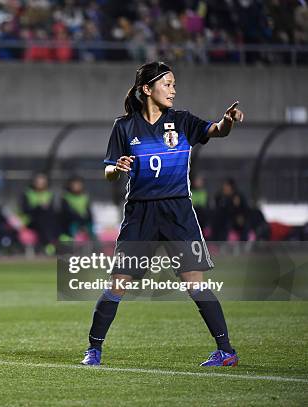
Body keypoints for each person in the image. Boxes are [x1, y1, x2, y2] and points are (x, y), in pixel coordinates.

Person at [81, 61, 244, 367]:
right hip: (140, 213)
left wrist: (228, 120)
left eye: (173, 84)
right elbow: (107, 170)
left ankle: (226, 351)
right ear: (147, 89)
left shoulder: (182, 121)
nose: (173, 89)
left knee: (194, 282)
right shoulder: (124, 126)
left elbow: (218, 131)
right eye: (167, 84)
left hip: (178, 210)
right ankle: (94, 349)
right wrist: (116, 169)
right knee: (118, 283)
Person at [20, 173, 58, 254]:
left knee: (51, 220)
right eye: (38, 182)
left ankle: (52, 243)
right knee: (42, 219)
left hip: (47, 221)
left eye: (42, 182)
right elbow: (25, 210)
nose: (40, 184)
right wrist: (39, 207)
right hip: (31, 221)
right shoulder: (27, 193)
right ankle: (49, 244)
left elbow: (52, 210)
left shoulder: (49, 194)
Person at [59, 175, 94, 241]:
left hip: (84, 221)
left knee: (91, 229)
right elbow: (68, 212)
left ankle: (94, 245)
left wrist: (88, 220)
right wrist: (80, 218)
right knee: (73, 228)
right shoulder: (66, 197)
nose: (76, 186)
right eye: (74, 184)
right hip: (71, 222)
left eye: (78, 184)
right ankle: (73, 244)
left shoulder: (85, 196)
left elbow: (89, 212)